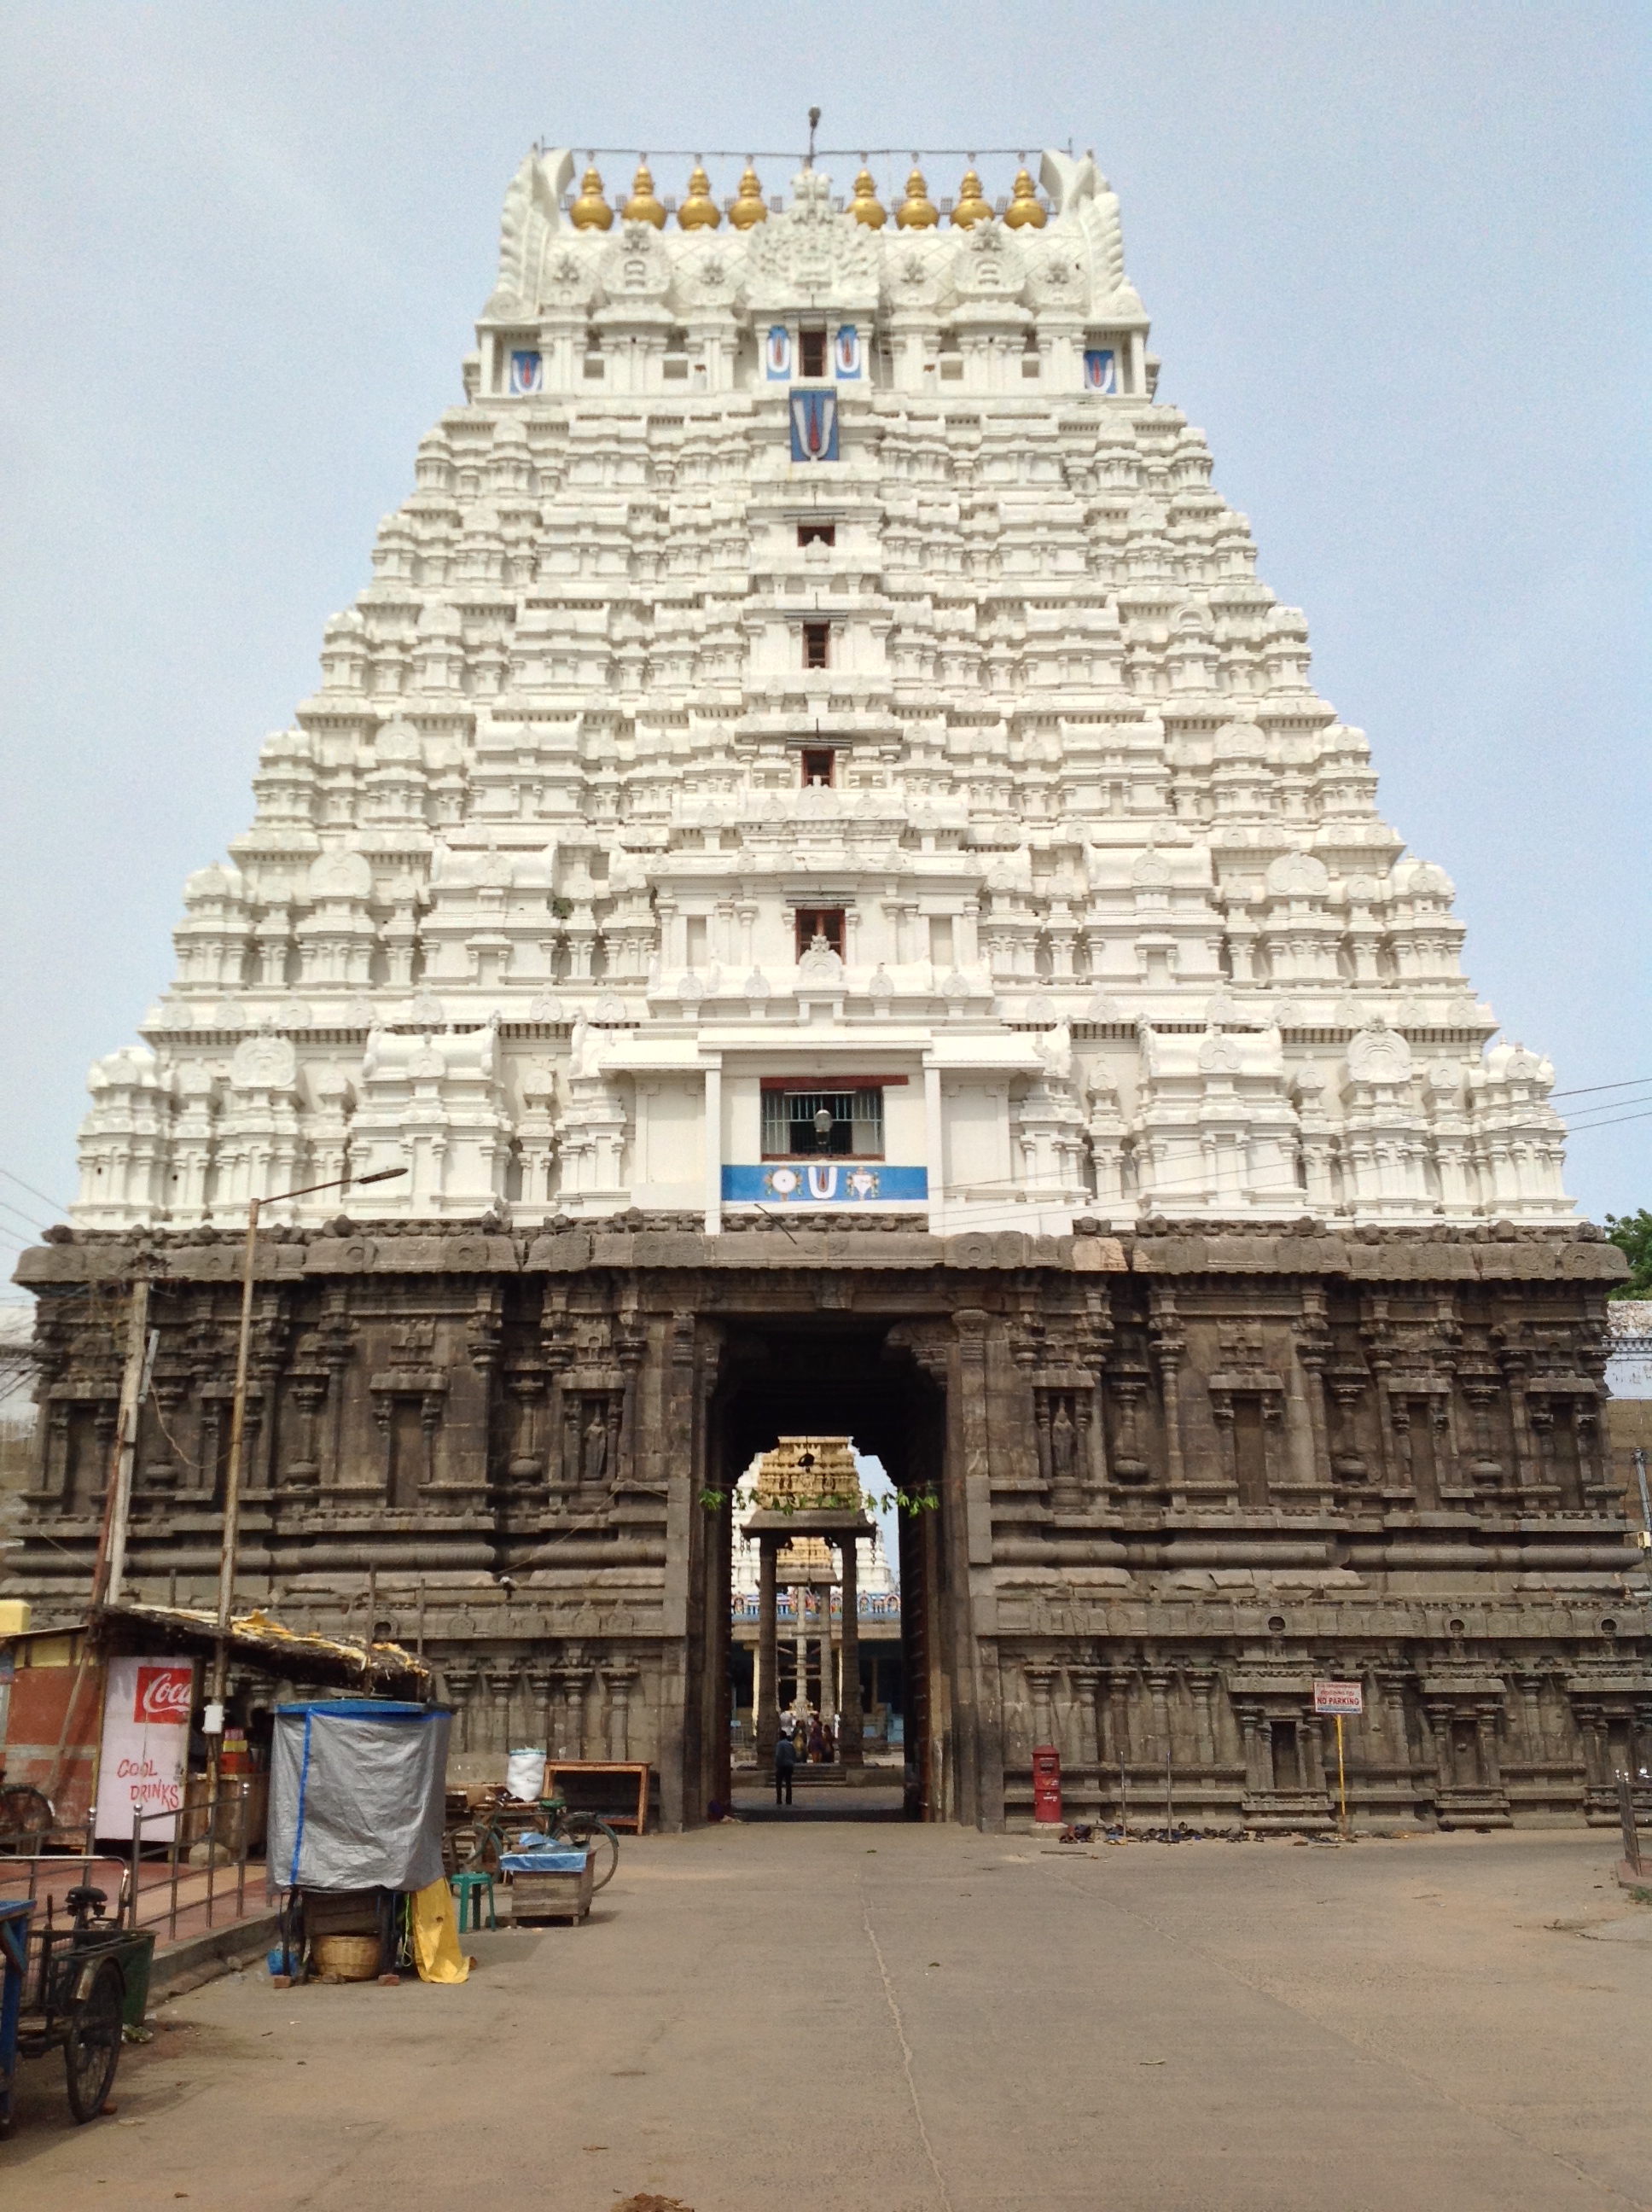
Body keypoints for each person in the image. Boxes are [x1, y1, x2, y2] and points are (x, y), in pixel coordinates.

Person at [774, 1727, 796, 1807]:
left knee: (779, 1783)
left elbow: (778, 1755)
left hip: (782, 1765)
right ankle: (788, 1799)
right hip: (790, 1765)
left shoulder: (780, 1744)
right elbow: (794, 1754)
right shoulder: (790, 1744)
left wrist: (777, 1763)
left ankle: (779, 1799)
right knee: (788, 1783)